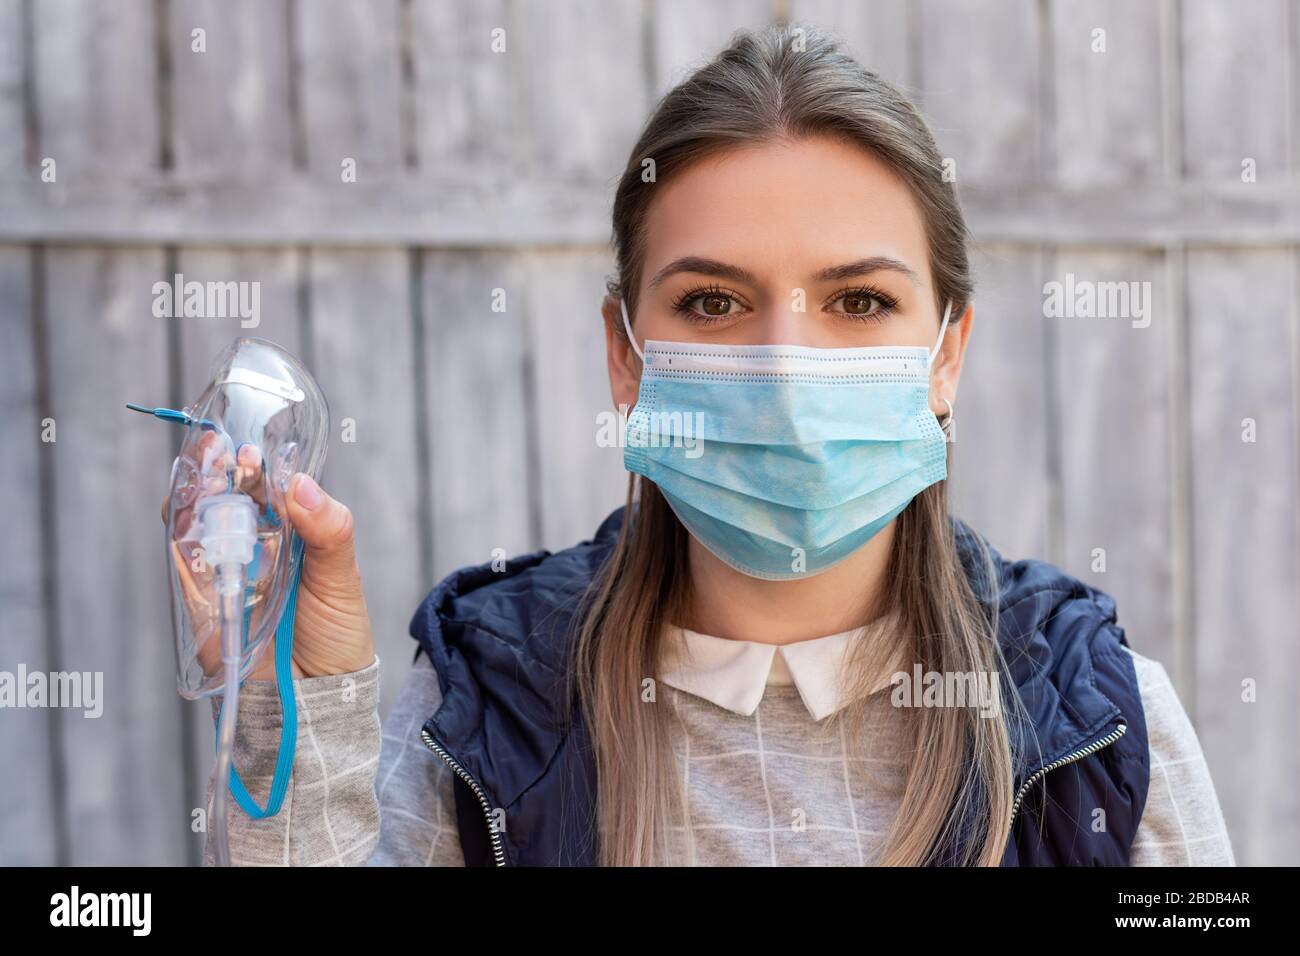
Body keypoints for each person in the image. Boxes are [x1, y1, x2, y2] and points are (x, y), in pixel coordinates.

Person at [198, 23, 1234, 867]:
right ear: (625, 352)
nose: (784, 365)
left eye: (859, 299)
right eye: (712, 300)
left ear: (945, 356)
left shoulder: (1099, 720)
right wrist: (288, 706)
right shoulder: (487, 696)